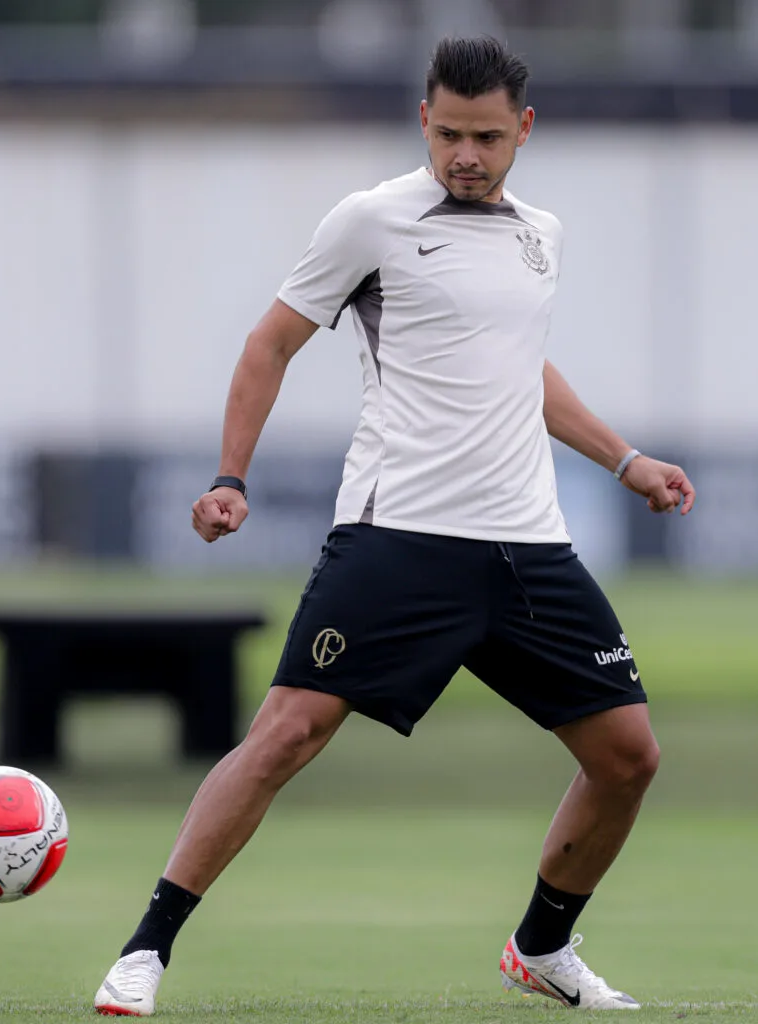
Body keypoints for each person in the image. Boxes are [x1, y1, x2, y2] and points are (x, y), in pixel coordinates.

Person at [93, 35, 696, 1016]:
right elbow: (269, 342)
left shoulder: (541, 231)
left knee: (627, 755)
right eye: (449, 133)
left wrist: (623, 460)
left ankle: (539, 946)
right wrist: (228, 477)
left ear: (521, 132)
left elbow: (519, 367)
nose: (465, 154)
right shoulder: (369, 220)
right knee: (285, 734)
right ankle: (145, 949)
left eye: (486, 138)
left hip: (525, 547)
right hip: (398, 536)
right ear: (423, 119)